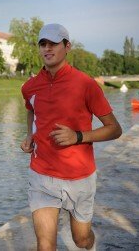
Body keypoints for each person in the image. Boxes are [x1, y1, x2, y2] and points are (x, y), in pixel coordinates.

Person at [20, 23, 122, 251]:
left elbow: (115, 128)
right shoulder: (30, 87)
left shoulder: (86, 84)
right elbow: (31, 109)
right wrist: (30, 136)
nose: (47, 48)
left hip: (79, 177)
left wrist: (78, 136)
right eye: (42, 44)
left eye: (53, 43)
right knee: (45, 246)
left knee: (81, 240)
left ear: (67, 46)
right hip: (42, 176)